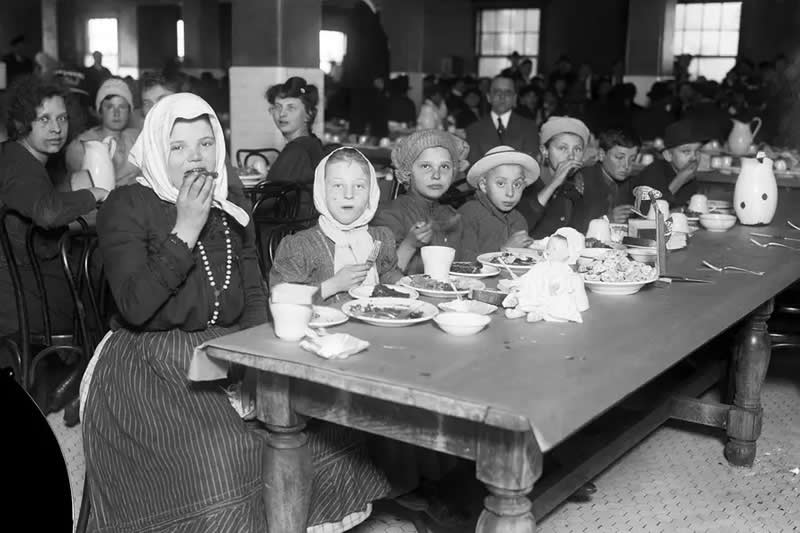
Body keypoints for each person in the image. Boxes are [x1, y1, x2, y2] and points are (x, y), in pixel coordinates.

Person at [81, 93, 390, 532]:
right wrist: (185, 229)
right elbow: (135, 306)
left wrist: (262, 363)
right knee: (225, 456)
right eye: (179, 146)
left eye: (206, 144)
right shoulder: (126, 205)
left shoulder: (231, 207)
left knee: (321, 429)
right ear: (155, 148)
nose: (195, 158)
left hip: (229, 346)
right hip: (151, 359)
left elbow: (250, 294)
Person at [0, 76, 108, 337]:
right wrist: (96, 193)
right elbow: (47, 213)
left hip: (21, 290)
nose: (56, 128)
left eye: (62, 118)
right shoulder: (19, 165)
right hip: (23, 303)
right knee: (108, 290)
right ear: (22, 122)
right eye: (44, 119)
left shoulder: (15, 155)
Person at [269, 147, 403, 303]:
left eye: (359, 186)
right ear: (321, 190)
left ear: (371, 193)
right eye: (338, 186)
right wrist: (332, 286)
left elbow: (387, 273)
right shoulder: (300, 246)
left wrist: (400, 283)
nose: (348, 195)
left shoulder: (381, 238)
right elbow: (280, 299)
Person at [373, 130, 468, 273]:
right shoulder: (388, 215)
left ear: (454, 171)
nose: (436, 175)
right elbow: (381, 279)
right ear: (407, 170)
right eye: (426, 166)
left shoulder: (452, 217)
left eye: (444, 166)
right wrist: (409, 245)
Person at [457, 146, 539, 260]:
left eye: (517, 184)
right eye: (501, 183)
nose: (510, 193)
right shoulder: (468, 214)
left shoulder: (519, 220)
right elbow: (462, 261)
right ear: (483, 185)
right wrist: (504, 251)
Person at [516, 116, 591, 238]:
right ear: (545, 151)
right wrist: (554, 183)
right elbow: (519, 227)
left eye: (577, 149)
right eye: (562, 148)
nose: (571, 156)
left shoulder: (578, 184)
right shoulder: (527, 181)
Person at [65, 77, 141, 187]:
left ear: (130, 111)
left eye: (122, 107)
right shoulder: (81, 147)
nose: (116, 113)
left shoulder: (137, 139)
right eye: (110, 107)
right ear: (99, 110)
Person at [465, 75, 539, 164]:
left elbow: (531, 164)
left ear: (514, 98)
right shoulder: (473, 129)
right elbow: (473, 166)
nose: (502, 96)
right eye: (497, 92)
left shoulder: (529, 127)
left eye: (508, 92)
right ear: (488, 97)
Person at [265, 77, 324, 186]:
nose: (282, 114)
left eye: (291, 108)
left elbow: (269, 199)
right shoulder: (312, 142)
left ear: (308, 114)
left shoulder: (297, 150)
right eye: (277, 107)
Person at [631, 119, 703, 207]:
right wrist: (678, 182)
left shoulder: (690, 177)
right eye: (686, 151)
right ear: (668, 155)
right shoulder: (653, 173)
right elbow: (647, 214)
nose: (694, 157)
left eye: (698, 150)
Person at [577, 129, 640, 228]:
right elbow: (571, 227)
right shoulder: (582, 180)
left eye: (632, 159)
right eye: (619, 157)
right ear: (602, 155)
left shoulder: (632, 183)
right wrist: (607, 220)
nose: (626, 165)